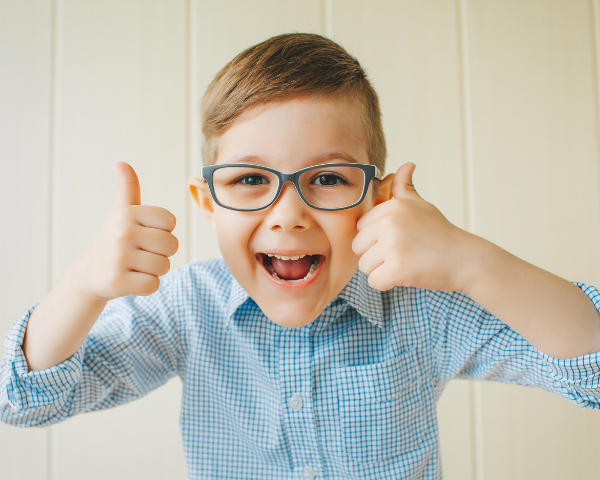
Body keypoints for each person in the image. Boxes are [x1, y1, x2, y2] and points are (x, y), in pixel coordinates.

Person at [2, 33, 600, 480]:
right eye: (249, 181)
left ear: (381, 197)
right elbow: (21, 400)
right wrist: (83, 286)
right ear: (206, 200)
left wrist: (473, 261)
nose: (288, 213)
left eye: (330, 179)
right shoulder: (186, 305)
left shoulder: (421, 308)